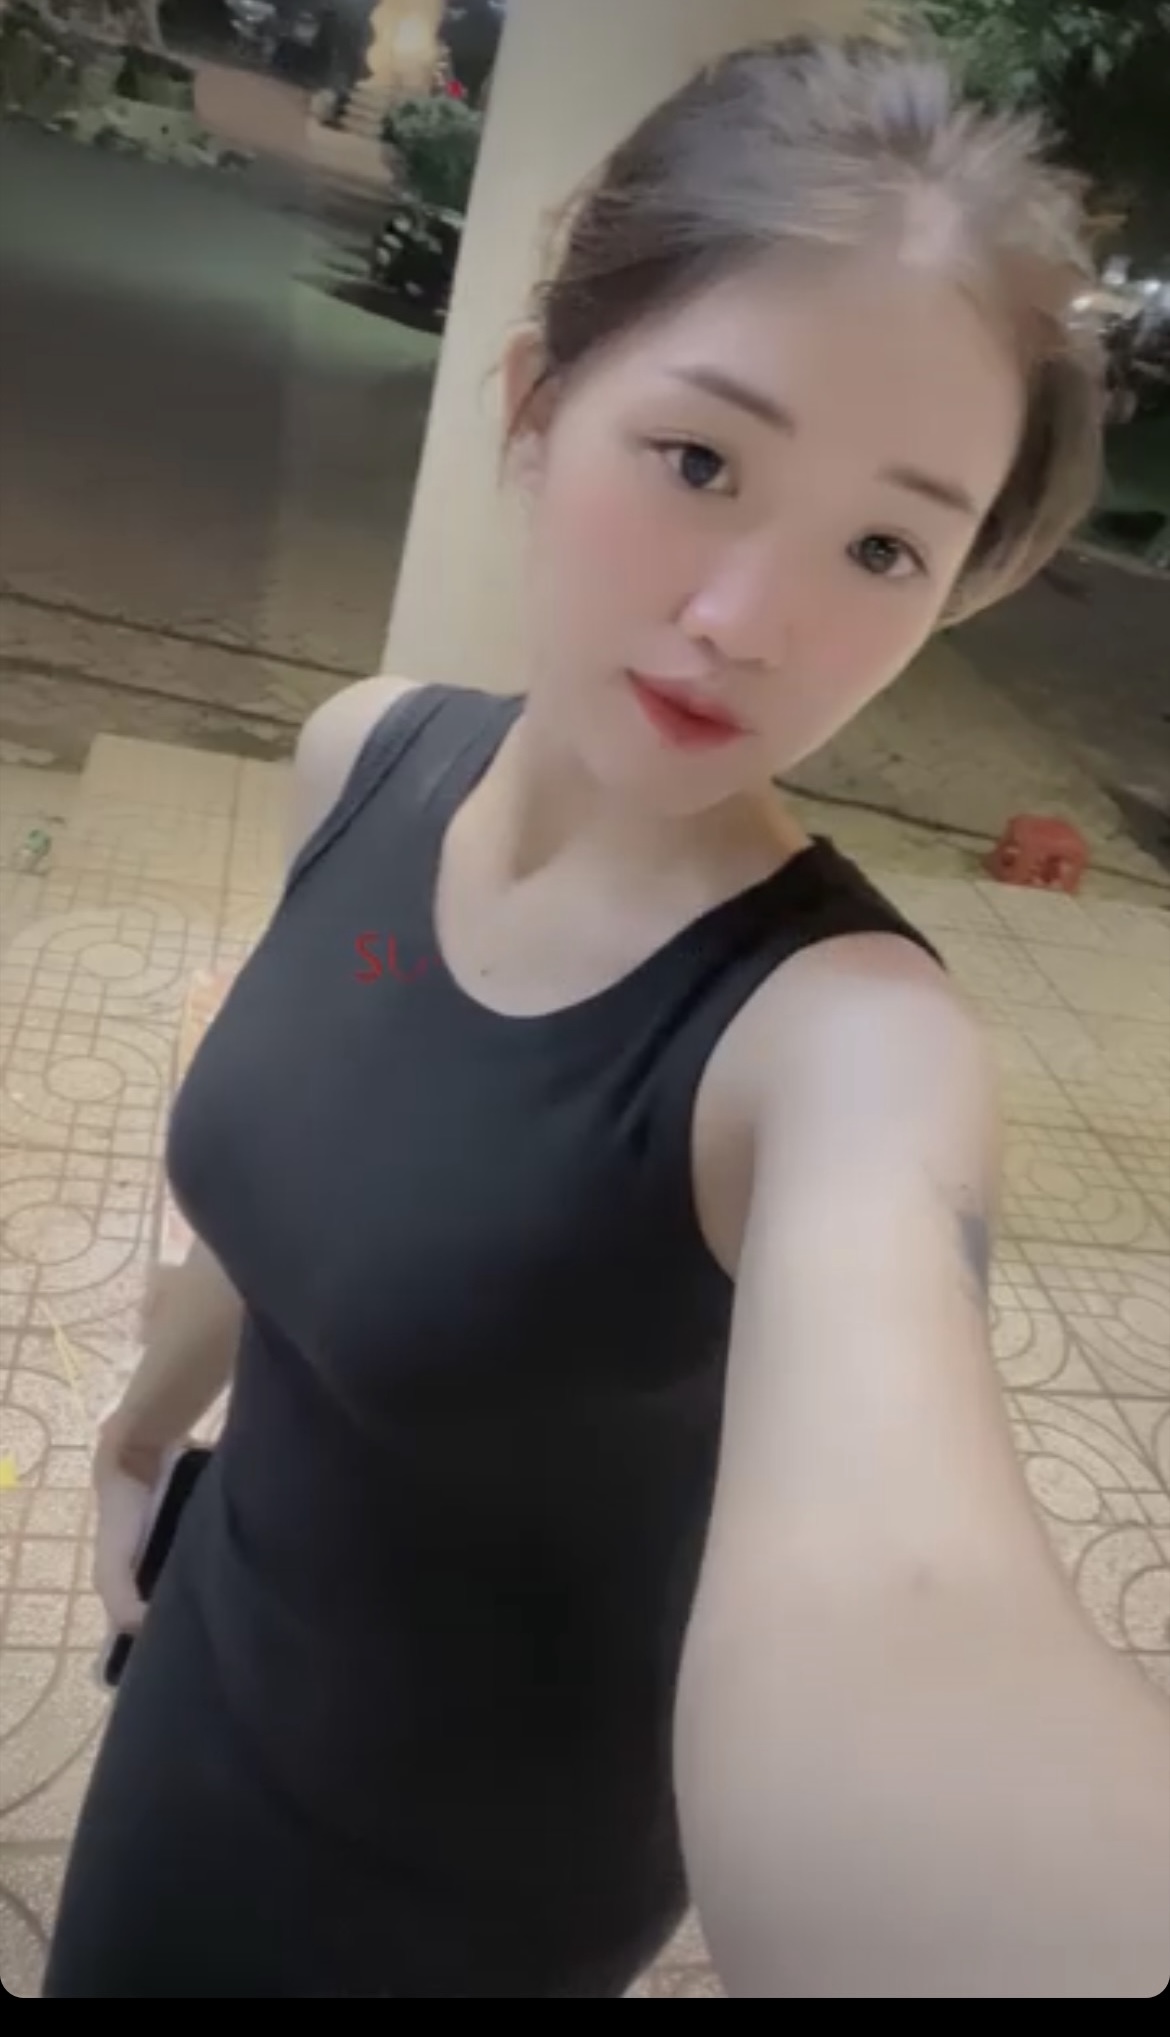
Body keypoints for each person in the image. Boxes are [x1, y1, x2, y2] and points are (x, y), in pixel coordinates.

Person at [45, 35, 1168, 1999]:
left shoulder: (839, 1044)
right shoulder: (367, 761)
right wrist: (145, 1423)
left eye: (882, 546)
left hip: (465, 1894)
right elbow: (325, 1160)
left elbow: (912, 1610)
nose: (746, 622)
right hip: (201, 1663)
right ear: (537, 402)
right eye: (702, 460)